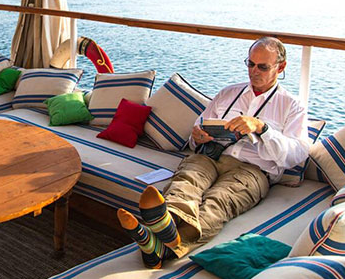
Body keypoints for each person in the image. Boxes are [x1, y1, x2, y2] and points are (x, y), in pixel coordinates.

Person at [116, 36, 309, 268]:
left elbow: (297, 154)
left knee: (218, 202)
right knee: (186, 182)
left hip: (253, 170)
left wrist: (262, 128)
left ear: (281, 67)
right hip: (210, 155)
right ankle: (165, 232)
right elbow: (197, 129)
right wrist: (197, 137)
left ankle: (159, 246)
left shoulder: (292, 105)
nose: (254, 71)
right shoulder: (228, 93)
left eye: (262, 67)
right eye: (250, 64)